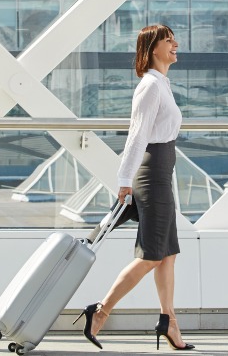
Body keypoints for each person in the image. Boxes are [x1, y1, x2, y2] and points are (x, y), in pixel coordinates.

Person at [74, 24, 195, 351]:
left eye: (173, 40)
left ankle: (169, 321)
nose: (175, 44)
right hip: (150, 174)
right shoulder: (150, 86)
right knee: (152, 255)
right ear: (152, 48)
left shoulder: (162, 84)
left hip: (161, 173)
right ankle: (100, 312)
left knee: (168, 254)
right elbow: (137, 136)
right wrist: (124, 181)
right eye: (168, 41)